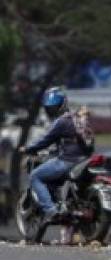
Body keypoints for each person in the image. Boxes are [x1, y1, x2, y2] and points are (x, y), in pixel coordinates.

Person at [20, 87, 95, 223]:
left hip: (68, 161)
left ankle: (51, 211)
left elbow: (45, 140)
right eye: (50, 108)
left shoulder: (61, 122)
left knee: (35, 176)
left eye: (54, 108)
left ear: (63, 104)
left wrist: (28, 148)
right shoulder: (78, 118)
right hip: (84, 160)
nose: (52, 111)